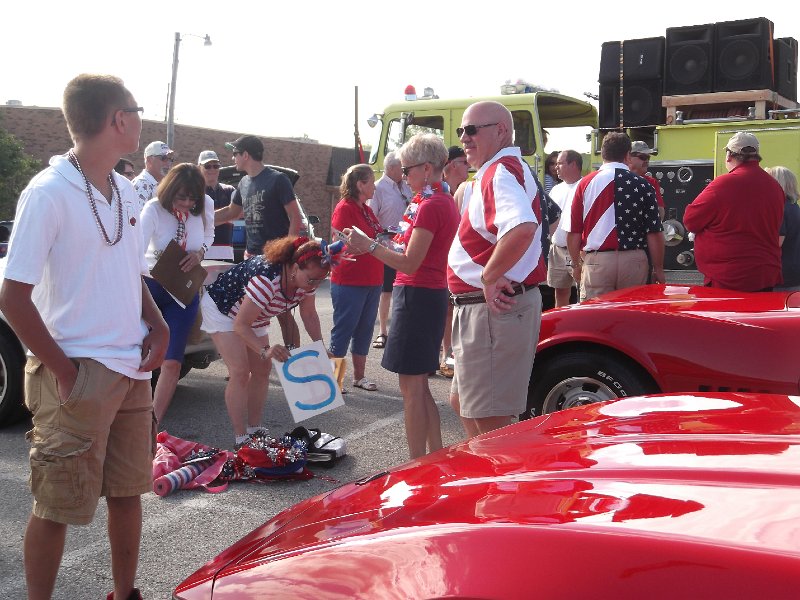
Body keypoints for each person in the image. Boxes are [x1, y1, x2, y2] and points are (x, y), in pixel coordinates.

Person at [0, 74, 168, 600]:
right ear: (118, 120)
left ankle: (125, 593)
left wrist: (158, 323)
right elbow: (12, 296)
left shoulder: (125, 190)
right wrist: (65, 371)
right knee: (56, 507)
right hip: (76, 373)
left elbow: (129, 272)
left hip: (131, 369)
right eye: (136, 111)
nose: (140, 120)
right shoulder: (48, 192)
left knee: (128, 494)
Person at [346, 134, 460, 459]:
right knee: (419, 388)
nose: (403, 176)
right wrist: (375, 242)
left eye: (407, 170)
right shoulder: (439, 200)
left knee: (411, 389)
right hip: (425, 294)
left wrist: (369, 245)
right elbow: (407, 250)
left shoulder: (432, 204)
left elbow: (410, 262)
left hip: (417, 295)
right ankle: (434, 458)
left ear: (426, 169)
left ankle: (417, 465)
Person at [448, 101, 546, 438]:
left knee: (491, 426)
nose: (464, 138)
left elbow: (522, 226)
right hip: (489, 310)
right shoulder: (503, 169)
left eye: (471, 130)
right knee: (466, 405)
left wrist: (489, 276)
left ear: (501, 131)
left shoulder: (499, 172)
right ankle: (486, 470)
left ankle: (498, 474)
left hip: (492, 311)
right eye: (461, 130)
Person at [201, 236, 334, 447]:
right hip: (223, 311)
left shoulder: (308, 280)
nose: (314, 285)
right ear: (294, 267)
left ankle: (254, 429)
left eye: (321, 280)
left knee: (262, 370)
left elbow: (309, 314)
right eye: (311, 280)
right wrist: (265, 349)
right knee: (240, 371)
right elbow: (241, 325)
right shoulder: (266, 281)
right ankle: (241, 437)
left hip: (255, 314)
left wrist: (321, 346)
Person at [141, 163, 215, 423]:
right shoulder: (153, 209)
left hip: (183, 294)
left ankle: (152, 424)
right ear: (170, 190)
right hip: (151, 288)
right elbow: (135, 252)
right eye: (182, 197)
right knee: (140, 358)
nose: (187, 203)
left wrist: (199, 253)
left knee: (172, 361)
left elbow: (209, 235)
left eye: (193, 199)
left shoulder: (203, 206)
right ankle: (132, 421)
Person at [215, 135, 302, 348]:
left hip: (276, 257)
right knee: (250, 311)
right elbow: (231, 212)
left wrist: (288, 251)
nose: (233, 158)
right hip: (252, 258)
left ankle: (294, 359)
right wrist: (200, 219)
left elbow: (295, 216)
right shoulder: (243, 183)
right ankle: (256, 355)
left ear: (245, 155)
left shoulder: (277, 179)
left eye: (235, 153)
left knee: (283, 312)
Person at [568, 132, 665, 301]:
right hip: (634, 261)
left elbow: (574, 231)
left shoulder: (584, 184)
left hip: (597, 262)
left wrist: (575, 264)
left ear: (603, 154)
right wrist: (658, 268)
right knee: (631, 313)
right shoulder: (644, 185)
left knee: (595, 315)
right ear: (627, 155)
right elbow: (654, 232)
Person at [684, 132, 784, 292]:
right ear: (756, 156)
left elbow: (690, 221)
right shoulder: (775, 186)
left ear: (729, 156)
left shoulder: (723, 184)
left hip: (729, 277)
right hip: (765, 274)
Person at [330, 164, 383, 391]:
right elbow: (340, 245)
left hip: (373, 279)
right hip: (350, 280)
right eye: (371, 182)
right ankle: (334, 379)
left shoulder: (366, 210)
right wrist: (372, 246)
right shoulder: (345, 208)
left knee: (365, 329)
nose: (375, 187)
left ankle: (358, 377)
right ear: (360, 185)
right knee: (344, 328)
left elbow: (375, 237)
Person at [367, 151, 412, 350]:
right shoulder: (378, 189)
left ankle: (403, 331)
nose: (405, 171)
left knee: (406, 288)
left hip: (408, 244)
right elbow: (371, 217)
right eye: (402, 168)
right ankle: (383, 331)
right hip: (387, 244)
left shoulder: (407, 186)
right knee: (386, 290)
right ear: (392, 168)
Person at [438, 145, 471, 377]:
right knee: (445, 309)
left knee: (453, 307)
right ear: (450, 165)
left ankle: (449, 354)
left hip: (459, 261)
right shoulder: (437, 191)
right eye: (464, 162)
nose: (468, 166)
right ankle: (444, 354)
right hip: (442, 259)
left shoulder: (467, 189)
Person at [547, 150, 582, 307]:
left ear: (573, 164)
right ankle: (560, 320)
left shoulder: (585, 186)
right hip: (557, 249)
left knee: (583, 292)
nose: (556, 167)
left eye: (560, 163)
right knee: (560, 292)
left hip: (578, 251)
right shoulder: (556, 189)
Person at [198, 150, 236, 261]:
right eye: (207, 166)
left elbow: (238, 213)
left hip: (226, 254)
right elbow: (194, 221)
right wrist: (228, 213)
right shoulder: (194, 192)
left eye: (216, 166)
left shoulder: (230, 190)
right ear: (199, 168)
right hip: (201, 254)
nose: (212, 169)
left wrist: (205, 220)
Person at [766, 166, 800, 290]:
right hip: (794, 271)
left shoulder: (780, 208)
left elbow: (777, 242)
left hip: (782, 275)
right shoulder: (793, 206)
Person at [132, 140, 174, 214]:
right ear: (149, 160)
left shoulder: (162, 185)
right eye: (164, 158)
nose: (168, 163)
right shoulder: (141, 185)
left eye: (170, 159)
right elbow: (138, 218)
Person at [627, 141, 665, 221]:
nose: (647, 161)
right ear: (629, 158)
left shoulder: (652, 182)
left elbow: (660, 212)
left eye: (648, 158)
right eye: (643, 157)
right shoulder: (618, 180)